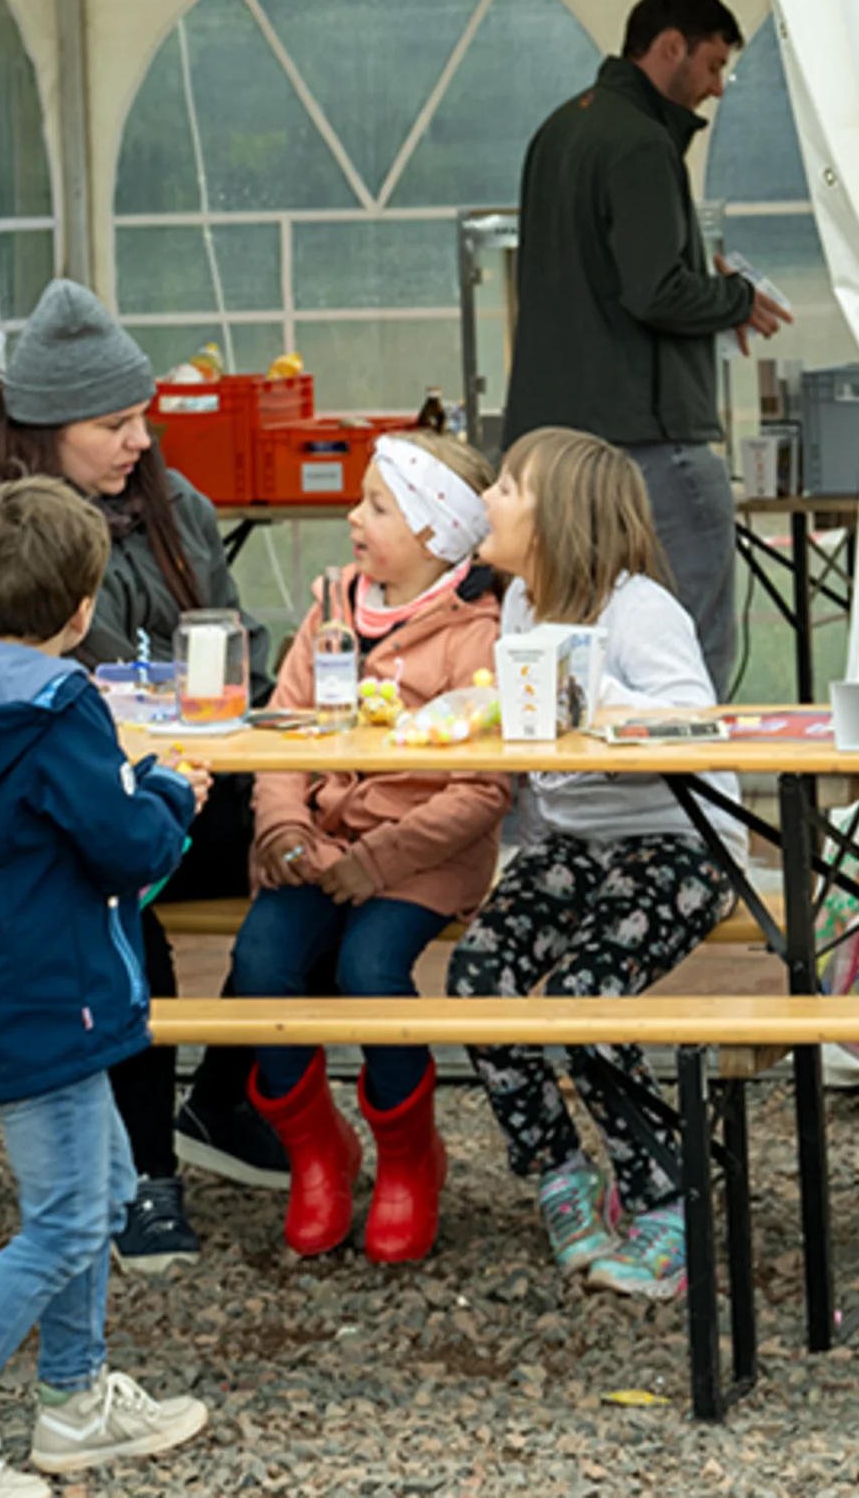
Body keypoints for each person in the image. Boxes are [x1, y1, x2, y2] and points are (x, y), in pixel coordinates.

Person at [0, 277, 276, 1275]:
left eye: (145, 420)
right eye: (116, 424)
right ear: (44, 428)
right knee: (117, 902)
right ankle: (138, 1179)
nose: (141, 442)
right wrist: (106, 707)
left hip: (136, 786)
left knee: (311, 843)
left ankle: (227, 1094)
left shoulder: (172, 506)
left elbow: (231, 644)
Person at [0, 478, 210, 1498]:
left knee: (97, 1196)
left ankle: (73, 1398)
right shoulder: (62, 712)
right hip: (59, 997)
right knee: (66, 1218)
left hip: (1, 990)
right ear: (80, 609)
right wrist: (168, 789)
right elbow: (126, 849)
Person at [448, 426, 747, 1302]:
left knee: (583, 997)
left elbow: (694, 723)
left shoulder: (639, 609)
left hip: (681, 841)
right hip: (573, 844)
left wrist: (593, 703)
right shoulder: (517, 607)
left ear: (559, 517)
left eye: (506, 486)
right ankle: (559, 1174)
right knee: (478, 974)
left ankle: (668, 1198)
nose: (488, 499)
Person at [235, 429, 512, 1264]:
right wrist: (285, 831)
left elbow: (481, 794)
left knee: (370, 971)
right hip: (318, 847)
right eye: (360, 500)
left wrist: (375, 862)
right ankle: (317, 1152)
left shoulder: (477, 636)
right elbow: (281, 735)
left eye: (379, 507)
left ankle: (408, 1158)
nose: (355, 517)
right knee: (260, 966)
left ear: (436, 534)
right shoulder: (331, 604)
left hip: (421, 860)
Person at [504, 0, 783, 694]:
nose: (717, 89)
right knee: (686, 644)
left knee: (571, 645)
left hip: (556, 451)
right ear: (669, 47)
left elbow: (598, 271)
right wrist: (734, 296)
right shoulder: (642, 146)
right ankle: (697, 799)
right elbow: (654, 291)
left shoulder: (557, 131)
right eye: (713, 65)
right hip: (649, 446)